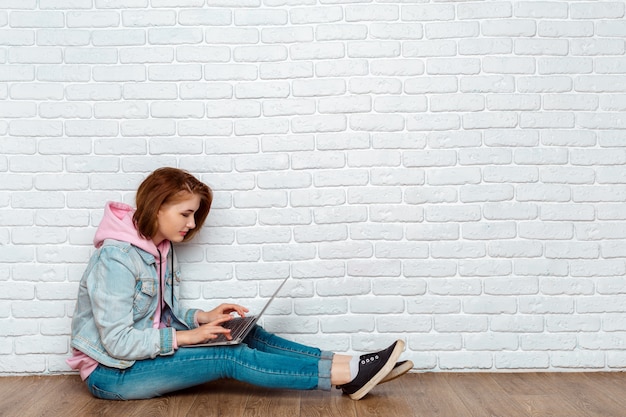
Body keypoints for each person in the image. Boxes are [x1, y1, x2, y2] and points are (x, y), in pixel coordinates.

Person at [67, 167, 412, 401]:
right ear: (157, 206)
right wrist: (189, 337)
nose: (190, 223)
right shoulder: (116, 258)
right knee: (228, 356)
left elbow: (155, 316)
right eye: (185, 213)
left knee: (240, 331)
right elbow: (117, 342)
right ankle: (348, 374)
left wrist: (201, 318)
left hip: (139, 357)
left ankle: (350, 365)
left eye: (194, 214)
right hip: (112, 374)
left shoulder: (158, 248)